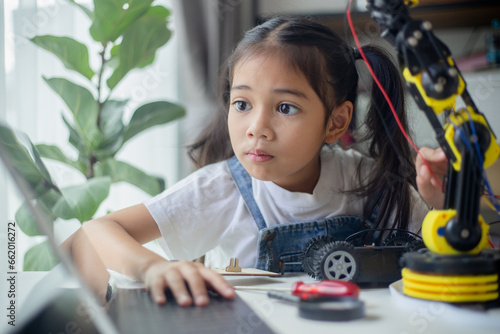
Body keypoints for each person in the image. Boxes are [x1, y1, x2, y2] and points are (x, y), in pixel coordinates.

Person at [64, 16, 447, 307]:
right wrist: (151, 268)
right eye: (242, 104)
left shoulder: (371, 184)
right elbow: (93, 233)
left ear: (336, 122)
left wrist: (444, 205)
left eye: (285, 107)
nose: (257, 128)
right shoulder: (220, 189)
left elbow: (443, 266)